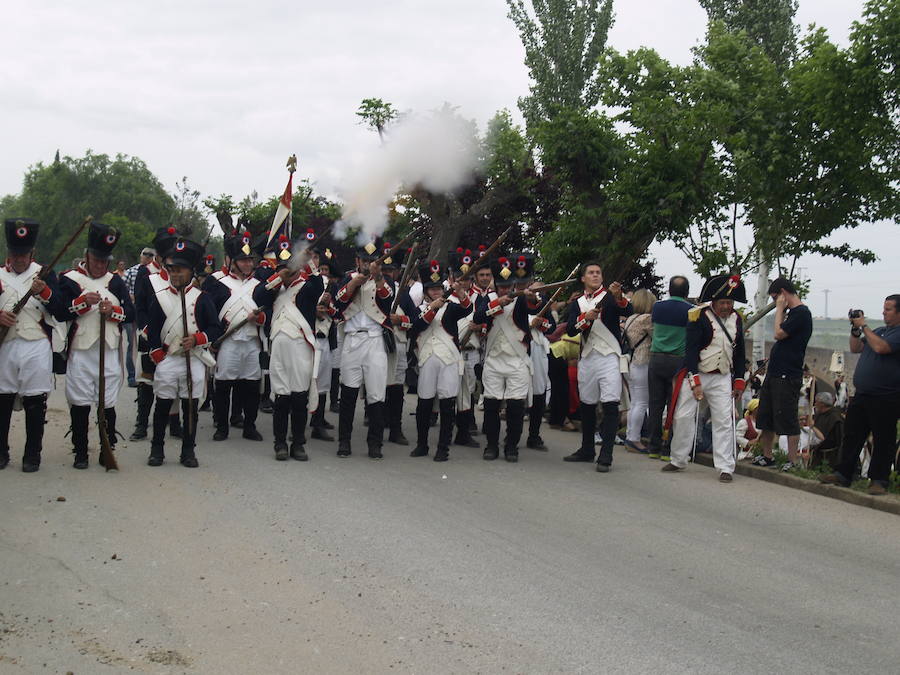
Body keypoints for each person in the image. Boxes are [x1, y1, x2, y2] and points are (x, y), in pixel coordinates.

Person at [57, 222, 135, 469]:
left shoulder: (116, 282)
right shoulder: (69, 280)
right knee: (79, 402)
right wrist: (81, 302)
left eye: (104, 261)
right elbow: (59, 311)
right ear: (87, 256)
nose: (100, 265)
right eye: (96, 260)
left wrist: (114, 311)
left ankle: (106, 446)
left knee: (108, 402)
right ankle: (80, 451)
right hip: (81, 349)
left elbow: (131, 313)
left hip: (109, 349)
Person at [145, 238, 222, 467]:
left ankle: (188, 451)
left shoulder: (202, 298)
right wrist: (157, 353)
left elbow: (215, 328)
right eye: (171, 269)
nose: (175, 274)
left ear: (190, 272)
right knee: (162, 406)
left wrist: (198, 339)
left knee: (190, 409)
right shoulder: (159, 297)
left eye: (179, 269)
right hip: (169, 358)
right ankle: (156, 449)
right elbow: (152, 330)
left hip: (194, 359)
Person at [662, 274, 746, 482]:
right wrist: (695, 381)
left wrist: (739, 380)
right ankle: (678, 458)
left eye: (730, 302)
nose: (727, 306)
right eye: (723, 302)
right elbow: (690, 351)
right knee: (683, 416)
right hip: (698, 371)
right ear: (714, 302)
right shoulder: (697, 316)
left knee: (724, 421)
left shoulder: (737, 319)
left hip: (722, 377)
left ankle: (725, 466)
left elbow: (740, 352)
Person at [0, 218, 68, 472]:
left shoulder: (45, 274)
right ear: (9, 252)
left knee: (35, 402)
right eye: (15, 254)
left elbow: (62, 309)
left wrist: (46, 292)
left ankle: (32, 455)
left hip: (37, 345)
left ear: (32, 253)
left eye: (24, 254)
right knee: (2, 400)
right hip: (5, 344)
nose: (19, 259)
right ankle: (1, 451)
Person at [253, 238, 325, 461]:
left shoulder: (307, 287)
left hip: (300, 348)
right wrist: (278, 278)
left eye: (290, 268)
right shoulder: (273, 288)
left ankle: (298, 443)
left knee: (298, 397)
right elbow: (258, 297)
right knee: (281, 398)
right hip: (279, 349)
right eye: (284, 268)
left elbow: (318, 287)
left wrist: (307, 261)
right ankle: (280, 443)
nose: (289, 273)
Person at [821, 295, 900, 495]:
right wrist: (855, 330)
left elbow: (882, 348)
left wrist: (864, 326)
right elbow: (855, 348)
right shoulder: (880, 331)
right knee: (852, 435)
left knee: (883, 439)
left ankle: (879, 480)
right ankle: (844, 474)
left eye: (888, 309)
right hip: (863, 394)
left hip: (886, 396)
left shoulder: (897, 334)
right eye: (883, 308)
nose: (883, 312)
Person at [563, 262, 633, 472]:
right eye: (591, 273)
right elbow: (571, 330)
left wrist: (619, 296)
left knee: (611, 404)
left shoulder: (612, 297)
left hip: (609, 357)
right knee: (587, 404)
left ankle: (606, 455)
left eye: (598, 273)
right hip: (588, 357)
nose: (595, 275)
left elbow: (628, 310)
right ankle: (587, 449)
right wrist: (586, 318)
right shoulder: (578, 303)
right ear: (583, 278)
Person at [331, 238, 395, 459]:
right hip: (352, 339)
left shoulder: (384, 280)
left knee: (376, 394)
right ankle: (344, 441)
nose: (367, 264)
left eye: (371, 260)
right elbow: (338, 303)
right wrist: (353, 284)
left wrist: (377, 277)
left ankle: (375, 443)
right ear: (357, 260)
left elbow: (387, 301)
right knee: (348, 392)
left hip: (375, 339)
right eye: (364, 260)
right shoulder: (347, 279)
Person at [474, 254, 537, 462]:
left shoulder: (521, 299)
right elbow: (478, 317)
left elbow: (534, 305)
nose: (504, 289)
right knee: (491, 406)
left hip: (517, 361)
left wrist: (529, 295)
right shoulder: (488, 299)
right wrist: (499, 302)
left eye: (507, 286)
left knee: (516, 408)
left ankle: (511, 446)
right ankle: (491, 445)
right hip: (493, 359)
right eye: (501, 286)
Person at [205, 229, 267, 442]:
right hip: (228, 341)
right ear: (234, 262)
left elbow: (268, 313)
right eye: (244, 260)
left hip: (251, 341)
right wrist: (216, 335)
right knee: (223, 385)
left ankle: (249, 426)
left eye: (250, 260)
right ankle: (221, 426)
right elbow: (209, 314)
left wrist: (259, 319)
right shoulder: (217, 284)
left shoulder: (258, 286)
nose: (249, 264)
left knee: (251, 385)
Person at [408, 258, 472, 461]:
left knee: (447, 404)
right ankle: (422, 444)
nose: (436, 292)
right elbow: (416, 327)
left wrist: (460, 291)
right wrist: (433, 307)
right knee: (424, 404)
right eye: (432, 289)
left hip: (449, 360)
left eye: (438, 288)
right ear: (426, 291)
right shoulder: (419, 310)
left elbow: (467, 309)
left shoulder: (451, 308)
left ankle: (443, 448)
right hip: (427, 360)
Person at [751, 278, 813, 471]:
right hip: (775, 373)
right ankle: (767, 455)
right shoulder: (791, 314)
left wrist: (779, 310)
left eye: (776, 297)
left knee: (787, 417)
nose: (776, 301)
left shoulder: (801, 313)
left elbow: (778, 334)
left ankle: (792, 460)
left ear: (783, 293)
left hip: (788, 374)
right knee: (767, 415)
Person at [129, 228, 180, 442]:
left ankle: (175, 423)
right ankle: (142, 423)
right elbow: (139, 306)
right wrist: (145, 329)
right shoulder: (145, 272)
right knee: (146, 379)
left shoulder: (180, 272)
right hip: (150, 333)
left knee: (175, 379)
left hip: (173, 333)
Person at [645, 276, 692, 461]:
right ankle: (668, 448)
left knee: (655, 404)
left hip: (656, 358)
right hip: (677, 361)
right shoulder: (691, 311)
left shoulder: (657, 307)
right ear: (687, 292)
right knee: (674, 406)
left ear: (669, 290)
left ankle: (653, 446)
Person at [454, 250, 492, 448]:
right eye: (463, 279)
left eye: (468, 279)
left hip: (476, 347)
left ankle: (469, 424)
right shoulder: (453, 298)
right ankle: (463, 424)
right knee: (460, 390)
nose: (465, 282)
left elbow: (488, 320)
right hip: (456, 348)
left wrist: (481, 327)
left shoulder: (485, 297)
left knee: (472, 388)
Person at [622, 289, 655, 453]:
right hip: (643, 361)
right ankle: (634, 439)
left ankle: (630, 435)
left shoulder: (630, 319)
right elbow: (657, 336)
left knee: (635, 402)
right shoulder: (647, 319)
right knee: (641, 403)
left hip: (632, 362)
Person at [807, 391, 843, 469]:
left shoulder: (835, 418)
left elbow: (840, 439)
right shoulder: (818, 414)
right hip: (817, 454)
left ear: (822, 404)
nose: (815, 404)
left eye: (816, 402)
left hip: (830, 457)